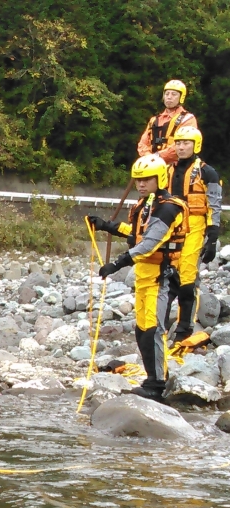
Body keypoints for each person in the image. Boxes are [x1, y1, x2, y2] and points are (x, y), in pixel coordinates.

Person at [88, 154, 189, 402]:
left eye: (146, 180)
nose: (141, 184)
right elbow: (136, 235)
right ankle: (151, 379)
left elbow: (149, 245)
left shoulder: (168, 208)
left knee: (154, 329)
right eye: (138, 180)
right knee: (142, 329)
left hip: (161, 277)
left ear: (159, 178)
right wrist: (106, 225)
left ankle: (157, 385)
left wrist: (116, 264)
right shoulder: (145, 205)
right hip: (144, 277)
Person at [167, 126, 222, 342]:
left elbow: (214, 205)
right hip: (172, 226)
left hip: (196, 226)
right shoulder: (168, 171)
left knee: (188, 277)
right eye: (178, 143)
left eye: (186, 143)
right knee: (168, 275)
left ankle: (184, 330)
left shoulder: (207, 172)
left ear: (195, 145)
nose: (181, 147)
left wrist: (213, 236)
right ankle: (159, 325)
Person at [136, 80, 198, 165]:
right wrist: (149, 158)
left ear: (181, 97)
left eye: (174, 94)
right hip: (152, 165)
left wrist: (156, 157)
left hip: (176, 166)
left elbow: (181, 146)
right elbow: (142, 144)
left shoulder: (188, 119)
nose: (169, 97)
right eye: (167, 94)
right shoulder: (154, 120)